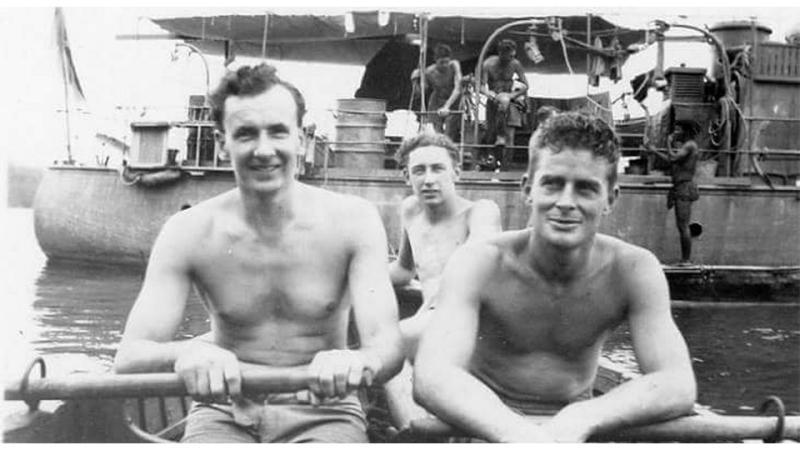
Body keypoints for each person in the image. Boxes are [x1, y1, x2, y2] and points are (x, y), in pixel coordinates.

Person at [113, 63, 404, 443]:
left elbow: (388, 347)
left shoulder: (354, 221)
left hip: (325, 412)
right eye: (246, 134)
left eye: (278, 132)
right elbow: (129, 356)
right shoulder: (187, 231)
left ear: (301, 139)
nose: (264, 150)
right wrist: (187, 354)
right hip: (222, 412)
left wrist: (357, 359)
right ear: (222, 143)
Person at [413, 111, 696, 442]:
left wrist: (583, 417)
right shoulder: (479, 262)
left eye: (585, 189)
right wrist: (522, 436)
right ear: (528, 189)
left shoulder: (634, 269)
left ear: (610, 199)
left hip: (575, 426)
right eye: (552, 184)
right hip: (483, 423)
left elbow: (677, 383)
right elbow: (432, 378)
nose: (565, 202)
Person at [384, 131, 502, 430]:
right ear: (406, 176)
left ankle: (415, 431)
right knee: (386, 346)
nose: (429, 179)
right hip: (431, 323)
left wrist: (436, 307)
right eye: (419, 170)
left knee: (388, 343)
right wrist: (354, 277)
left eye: (438, 169)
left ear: (456, 173)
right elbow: (404, 270)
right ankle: (413, 427)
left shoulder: (480, 212)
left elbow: (477, 262)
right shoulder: (410, 210)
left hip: (474, 322)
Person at [647, 123, 700, 264]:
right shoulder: (687, 147)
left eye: (678, 130)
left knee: (683, 225)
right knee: (681, 225)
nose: (675, 133)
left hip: (684, 188)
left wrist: (668, 143)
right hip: (680, 187)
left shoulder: (690, 145)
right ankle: (685, 259)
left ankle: (686, 260)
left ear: (686, 132)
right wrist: (655, 152)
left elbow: (672, 158)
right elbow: (673, 161)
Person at [481, 38, 529, 169]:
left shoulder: (515, 64)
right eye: (508, 56)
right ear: (501, 53)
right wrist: (489, 93)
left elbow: (526, 85)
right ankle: (491, 162)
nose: (511, 59)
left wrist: (511, 96)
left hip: (510, 102)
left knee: (510, 137)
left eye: (513, 56)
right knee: (490, 134)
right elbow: (481, 86)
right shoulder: (488, 64)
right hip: (494, 101)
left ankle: (506, 167)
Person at [411, 43, 463, 142]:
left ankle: (447, 146)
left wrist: (447, 106)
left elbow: (458, 89)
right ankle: (439, 146)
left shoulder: (454, 65)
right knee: (437, 132)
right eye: (441, 62)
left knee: (449, 131)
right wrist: (414, 81)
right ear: (436, 60)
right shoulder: (429, 72)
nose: (445, 65)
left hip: (453, 100)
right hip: (437, 100)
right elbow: (420, 93)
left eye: (446, 62)